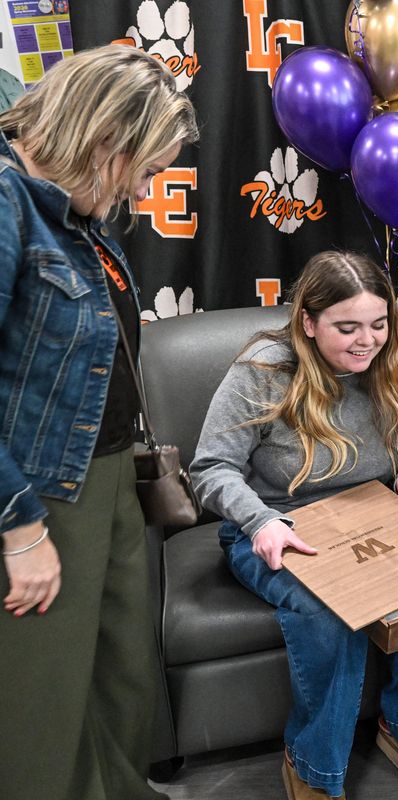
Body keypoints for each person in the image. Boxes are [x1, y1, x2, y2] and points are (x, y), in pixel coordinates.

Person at [0, 45, 197, 799]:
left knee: (119, 680)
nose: (144, 192)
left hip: (110, 474)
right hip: (39, 493)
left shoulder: (79, 215)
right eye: (144, 170)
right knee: (41, 703)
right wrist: (20, 531)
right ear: (102, 139)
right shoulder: (9, 201)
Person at [190, 251, 398, 800]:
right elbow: (210, 468)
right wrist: (260, 521)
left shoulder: (391, 362)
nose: (367, 340)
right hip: (276, 523)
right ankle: (312, 764)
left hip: (371, 515)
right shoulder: (264, 369)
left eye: (379, 324)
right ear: (308, 323)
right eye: (347, 327)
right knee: (328, 609)